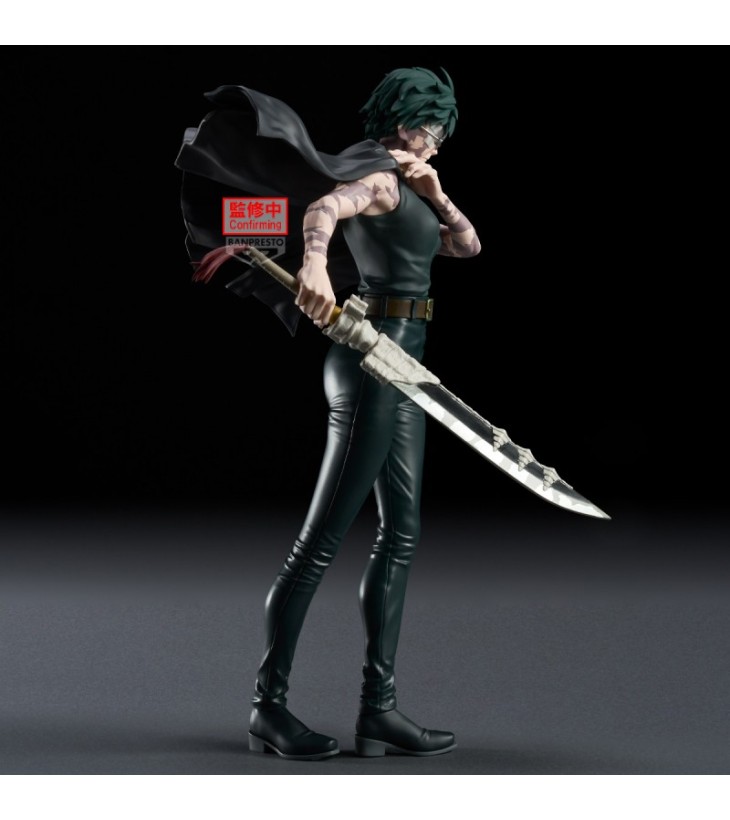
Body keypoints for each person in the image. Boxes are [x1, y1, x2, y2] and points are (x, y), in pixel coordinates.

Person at [176, 67, 480, 760]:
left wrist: (437, 194)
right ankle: (268, 707)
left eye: (441, 131)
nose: (434, 141)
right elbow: (322, 210)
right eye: (428, 128)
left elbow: (467, 247)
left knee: (401, 535)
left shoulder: (413, 185)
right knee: (319, 544)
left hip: (406, 367)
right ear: (401, 121)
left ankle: (380, 711)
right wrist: (313, 264)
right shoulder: (377, 180)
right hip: (370, 360)